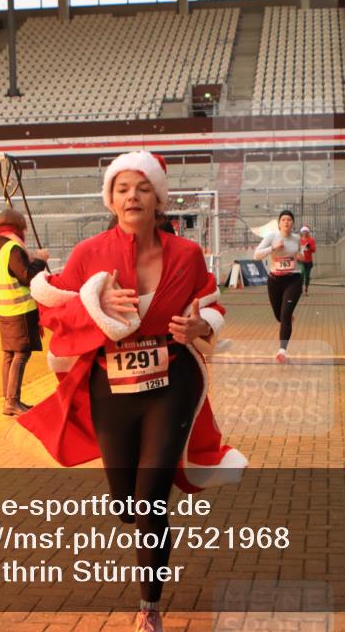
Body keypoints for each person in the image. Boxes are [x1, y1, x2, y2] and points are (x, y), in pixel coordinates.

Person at [17, 151, 246, 632]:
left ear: (158, 198)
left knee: (150, 499)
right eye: (122, 188)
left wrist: (201, 325)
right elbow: (53, 312)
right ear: (111, 199)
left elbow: (211, 306)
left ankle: (149, 607)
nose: (132, 196)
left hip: (172, 384)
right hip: (110, 387)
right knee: (126, 503)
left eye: (142, 188)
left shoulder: (186, 254)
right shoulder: (88, 254)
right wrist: (93, 302)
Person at [0, 208, 49, 416]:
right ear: (20, 226)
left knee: (9, 354)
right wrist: (40, 260)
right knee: (21, 353)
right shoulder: (12, 248)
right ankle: (12, 401)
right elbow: (26, 275)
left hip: (2, 308)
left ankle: (9, 399)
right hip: (19, 309)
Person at [254, 209, 305, 364]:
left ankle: (282, 351)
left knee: (285, 315)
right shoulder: (272, 237)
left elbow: (302, 253)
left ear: (293, 223)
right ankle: (286, 317)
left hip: (293, 279)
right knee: (279, 316)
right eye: (283, 220)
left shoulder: (297, 239)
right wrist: (273, 248)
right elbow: (256, 255)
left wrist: (301, 256)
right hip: (275, 281)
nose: (286, 222)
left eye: (289, 220)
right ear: (279, 223)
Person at [298, 225, 316, 296]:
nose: (304, 233)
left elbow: (314, 250)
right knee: (301, 272)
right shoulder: (298, 240)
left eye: (306, 231)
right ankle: (300, 289)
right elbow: (295, 248)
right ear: (301, 232)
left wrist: (309, 247)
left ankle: (306, 289)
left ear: (308, 232)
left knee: (307, 276)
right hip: (300, 260)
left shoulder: (311, 240)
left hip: (308, 261)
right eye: (303, 231)